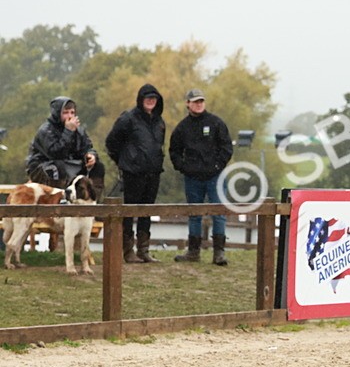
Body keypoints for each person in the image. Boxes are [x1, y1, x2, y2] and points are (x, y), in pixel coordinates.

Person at [169, 89, 234, 265]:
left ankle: (219, 253)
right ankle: (193, 251)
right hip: (193, 178)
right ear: (188, 104)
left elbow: (227, 147)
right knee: (194, 214)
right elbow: (174, 151)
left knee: (219, 213)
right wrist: (183, 168)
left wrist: (217, 166)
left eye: (201, 101)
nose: (199, 104)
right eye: (195, 101)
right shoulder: (182, 127)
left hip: (215, 177)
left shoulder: (216, 123)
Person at [106, 84, 166, 263]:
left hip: (153, 172)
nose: (150, 101)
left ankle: (143, 249)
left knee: (147, 211)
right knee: (129, 211)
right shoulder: (128, 119)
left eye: (154, 98)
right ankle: (128, 250)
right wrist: (125, 161)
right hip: (133, 173)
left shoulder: (159, 122)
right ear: (140, 99)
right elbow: (111, 142)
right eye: (147, 98)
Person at [26, 96, 107, 194]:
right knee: (57, 166)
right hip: (43, 166)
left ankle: (91, 199)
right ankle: (59, 198)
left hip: (69, 163)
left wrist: (91, 155)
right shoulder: (46, 130)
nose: (69, 116)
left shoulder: (78, 130)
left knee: (98, 166)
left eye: (72, 112)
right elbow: (56, 153)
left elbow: (87, 147)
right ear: (57, 113)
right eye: (65, 113)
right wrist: (68, 131)